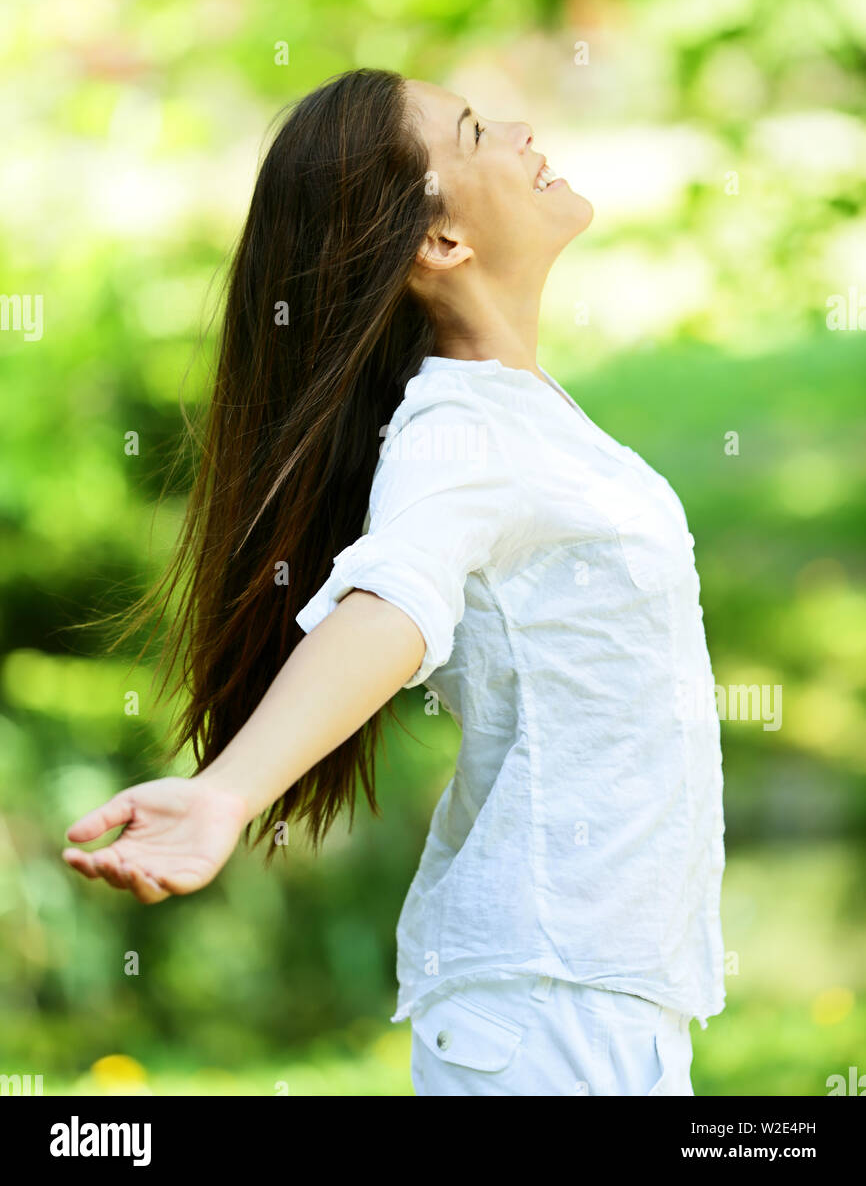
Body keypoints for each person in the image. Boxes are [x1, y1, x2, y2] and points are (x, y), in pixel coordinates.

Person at [62, 67, 726, 1096]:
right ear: (439, 242)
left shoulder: (518, 412)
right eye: (473, 131)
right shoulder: (456, 431)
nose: (519, 128)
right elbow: (392, 600)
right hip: (545, 1008)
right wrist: (227, 793)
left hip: (588, 994)